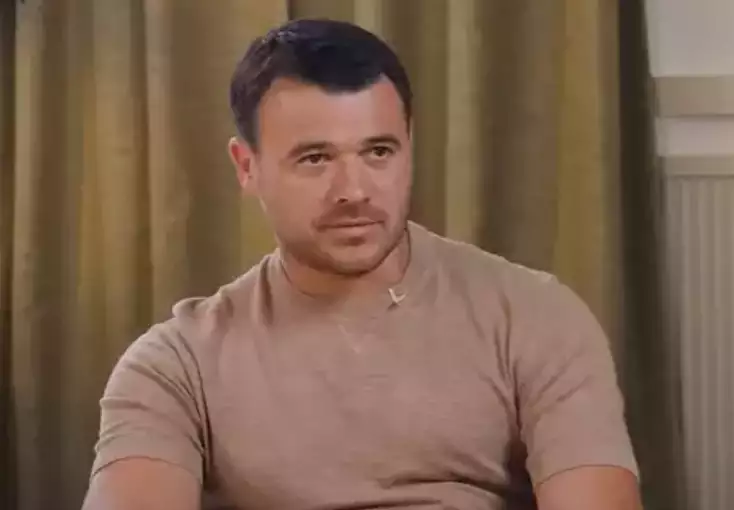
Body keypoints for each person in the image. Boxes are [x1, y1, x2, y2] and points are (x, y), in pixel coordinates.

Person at [82, 18, 642, 510]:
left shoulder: (536, 316)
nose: (354, 191)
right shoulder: (176, 365)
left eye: (378, 152)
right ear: (246, 166)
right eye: (315, 158)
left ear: (409, 146)